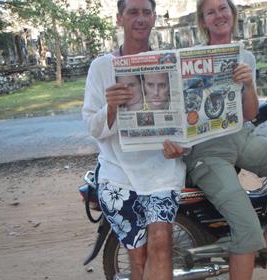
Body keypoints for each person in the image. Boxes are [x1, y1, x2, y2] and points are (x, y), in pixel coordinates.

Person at [183, 0, 267, 279]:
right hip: (207, 151)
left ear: (233, 14)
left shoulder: (245, 57)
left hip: (241, 137)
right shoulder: (189, 59)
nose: (218, 15)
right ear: (203, 21)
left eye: (223, 8)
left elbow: (250, 113)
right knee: (246, 229)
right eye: (210, 12)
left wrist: (247, 85)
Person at [82, 1, 186, 279]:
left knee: (161, 242)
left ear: (154, 18)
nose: (140, 19)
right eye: (133, 12)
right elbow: (92, 127)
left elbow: (184, 121)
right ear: (120, 18)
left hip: (162, 169)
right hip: (118, 172)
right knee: (138, 258)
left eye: (146, 12)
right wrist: (112, 108)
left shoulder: (169, 63)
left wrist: (182, 147)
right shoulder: (101, 67)